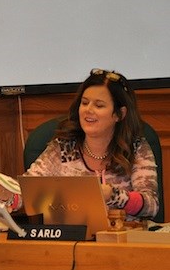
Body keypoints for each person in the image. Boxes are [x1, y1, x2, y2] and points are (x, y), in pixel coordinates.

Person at [21, 68, 159, 221]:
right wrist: (10, 197)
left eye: (99, 105)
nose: (88, 110)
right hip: (70, 239)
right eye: (85, 103)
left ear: (119, 114)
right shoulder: (63, 146)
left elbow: (151, 206)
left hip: (123, 240)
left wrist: (114, 196)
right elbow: (30, 189)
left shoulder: (136, 147)